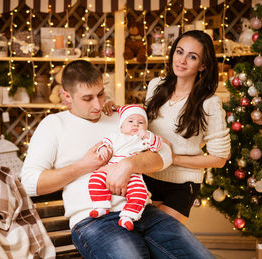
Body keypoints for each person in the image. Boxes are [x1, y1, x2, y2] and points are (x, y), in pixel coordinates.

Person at [21, 60, 214, 258]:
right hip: (95, 220)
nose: (98, 104)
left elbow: (165, 154)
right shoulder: (54, 125)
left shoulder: (120, 118)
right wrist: (82, 166)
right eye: (87, 98)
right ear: (66, 96)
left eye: (100, 94)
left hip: (143, 211)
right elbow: (28, 183)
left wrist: (128, 165)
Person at [144, 30, 230, 223]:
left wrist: (171, 158)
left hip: (182, 184)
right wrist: (116, 110)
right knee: (144, 242)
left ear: (203, 66)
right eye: (179, 52)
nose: (182, 60)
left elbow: (219, 159)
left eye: (192, 57)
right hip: (147, 177)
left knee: (159, 236)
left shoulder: (209, 103)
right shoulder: (156, 86)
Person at [88, 104, 161, 231]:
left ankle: (128, 216)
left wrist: (147, 135)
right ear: (121, 125)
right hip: (110, 168)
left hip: (133, 173)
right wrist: (103, 149)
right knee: (95, 179)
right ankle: (101, 206)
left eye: (141, 122)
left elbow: (157, 146)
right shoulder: (115, 136)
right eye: (130, 121)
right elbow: (104, 144)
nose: (135, 125)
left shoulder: (141, 139)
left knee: (140, 193)